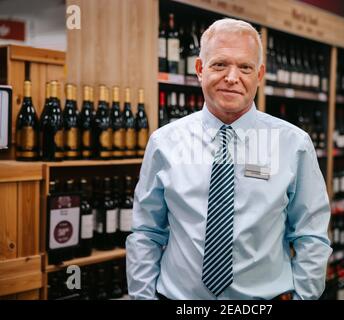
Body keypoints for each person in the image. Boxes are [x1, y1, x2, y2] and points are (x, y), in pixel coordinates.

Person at [126, 18, 332, 300]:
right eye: (220, 64)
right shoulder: (164, 143)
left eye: (245, 67)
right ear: (200, 69)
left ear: (259, 75)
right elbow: (146, 232)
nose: (232, 77)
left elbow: (312, 236)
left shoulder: (294, 145)